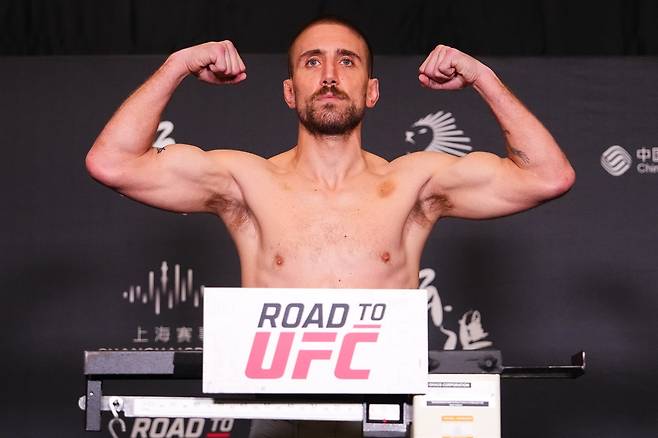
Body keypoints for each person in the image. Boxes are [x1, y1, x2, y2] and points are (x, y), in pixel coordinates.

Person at [86, 16, 575, 438]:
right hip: (278, 417)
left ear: (371, 89)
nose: (329, 76)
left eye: (347, 61)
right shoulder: (247, 182)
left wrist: (483, 77)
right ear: (290, 90)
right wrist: (177, 65)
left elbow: (548, 176)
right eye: (312, 62)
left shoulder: (413, 184)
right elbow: (112, 163)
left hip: (384, 416)